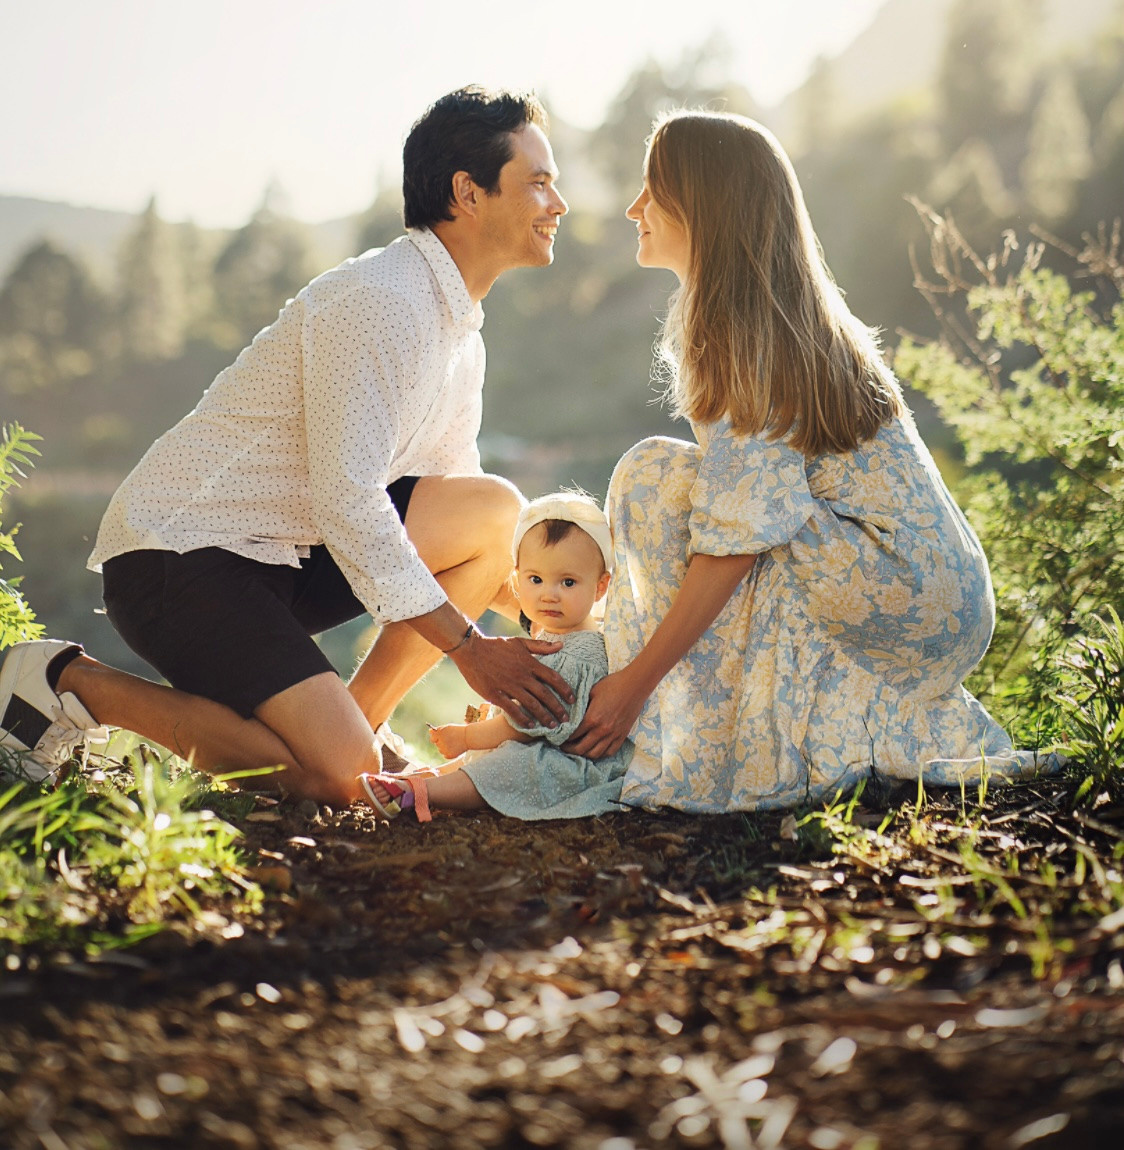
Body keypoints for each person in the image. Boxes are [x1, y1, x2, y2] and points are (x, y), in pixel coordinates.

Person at [0, 88, 575, 800]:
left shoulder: (459, 330)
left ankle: (357, 734)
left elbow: (452, 509)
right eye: (540, 181)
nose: (560, 203)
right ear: (468, 192)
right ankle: (63, 680)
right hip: (178, 557)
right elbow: (351, 500)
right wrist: (470, 648)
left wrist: (573, 628)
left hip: (289, 558)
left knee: (493, 512)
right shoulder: (379, 299)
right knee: (339, 775)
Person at [566, 109, 1040, 811]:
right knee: (689, 488)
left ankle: (663, 740)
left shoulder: (743, 333)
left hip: (901, 587)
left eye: (652, 190)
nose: (634, 208)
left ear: (704, 205)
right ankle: (679, 729)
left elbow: (735, 541)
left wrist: (632, 685)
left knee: (651, 479)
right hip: (939, 592)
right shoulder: (779, 317)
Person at [360, 491, 632, 821]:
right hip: (538, 747)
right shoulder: (549, 637)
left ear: (601, 587)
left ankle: (419, 794)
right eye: (536, 579)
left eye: (568, 582)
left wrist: (466, 737)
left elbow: (529, 723)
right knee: (501, 752)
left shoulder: (583, 653)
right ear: (517, 582)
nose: (549, 594)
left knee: (516, 763)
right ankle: (430, 778)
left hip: (573, 764)